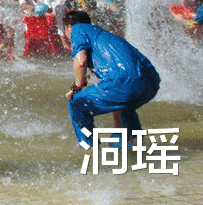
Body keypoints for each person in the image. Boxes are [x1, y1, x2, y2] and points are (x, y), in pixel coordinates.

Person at [63, 9, 161, 148]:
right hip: (151, 82)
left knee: (76, 102)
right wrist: (118, 125)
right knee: (120, 127)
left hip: (126, 83)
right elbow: (119, 88)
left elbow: (81, 60)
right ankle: (134, 144)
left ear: (68, 27)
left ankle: (88, 148)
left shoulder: (78, 28)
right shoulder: (105, 37)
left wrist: (77, 87)